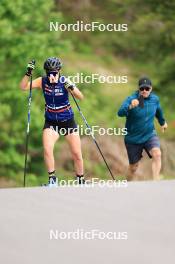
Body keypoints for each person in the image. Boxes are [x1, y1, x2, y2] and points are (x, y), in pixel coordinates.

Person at [20, 57, 84, 186]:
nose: (51, 74)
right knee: (47, 150)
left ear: (59, 70)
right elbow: (23, 87)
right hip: (51, 122)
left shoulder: (64, 81)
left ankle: (80, 180)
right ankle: (52, 180)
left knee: (76, 153)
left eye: (54, 71)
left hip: (67, 121)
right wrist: (28, 73)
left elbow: (80, 97)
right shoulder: (42, 81)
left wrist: (70, 87)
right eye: (49, 71)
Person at [117, 77, 168, 180]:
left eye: (147, 88)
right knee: (133, 167)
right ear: (138, 89)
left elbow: (158, 111)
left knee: (157, 154)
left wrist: (162, 122)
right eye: (142, 88)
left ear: (151, 89)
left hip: (149, 134)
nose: (144, 91)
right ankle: (128, 183)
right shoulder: (131, 99)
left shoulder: (155, 99)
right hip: (133, 138)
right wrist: (130, 106)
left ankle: (156, 181)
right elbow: (120, 112)